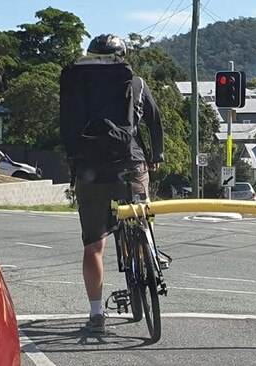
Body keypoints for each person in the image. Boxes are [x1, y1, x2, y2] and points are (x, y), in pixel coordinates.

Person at [59, 34, 165, 333]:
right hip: (128, 165)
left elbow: (66, 124)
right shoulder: (135, 82)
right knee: (142, 216)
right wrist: (155, 156)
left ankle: (96, 314)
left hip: (90, 170)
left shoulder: (75, 82)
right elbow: (154, 121)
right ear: (123, 55)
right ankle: (147, 248)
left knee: (93, 245)